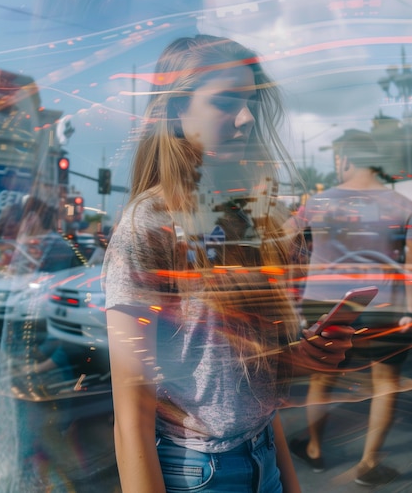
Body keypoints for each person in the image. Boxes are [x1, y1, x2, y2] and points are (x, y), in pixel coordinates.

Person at [102, 34, 354, 493]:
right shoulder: (149, 224)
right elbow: (131, 418)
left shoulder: (245, 218)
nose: (246, 119)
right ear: (176, 110)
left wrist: (299, 352)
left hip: (263, 458)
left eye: (251, 102)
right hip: (196, 473)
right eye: (225, 101)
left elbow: (243, 388)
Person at [288, 129, 412, 487]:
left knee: (322, 377)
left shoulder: (319, 202)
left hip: (324, 302)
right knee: (387, 381)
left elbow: (280, 240)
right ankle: (369, 463)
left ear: (342, 158)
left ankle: (313, 448)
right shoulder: (402, 206)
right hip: (382, 301)